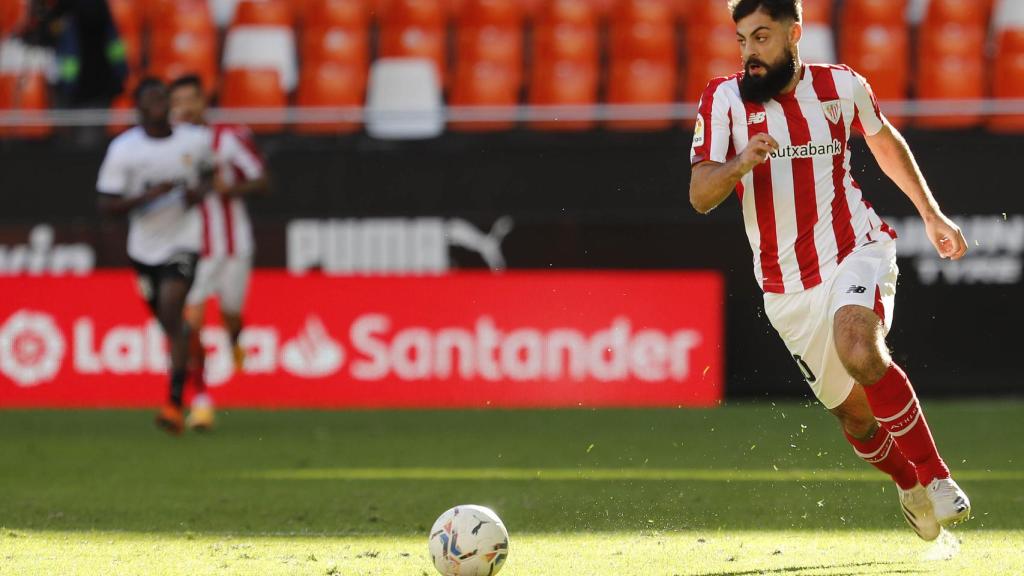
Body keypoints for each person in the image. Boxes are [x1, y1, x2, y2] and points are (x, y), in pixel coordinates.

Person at [689, 0, 971, 540]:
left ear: (796, 33)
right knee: (857, 417)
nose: (750, 53)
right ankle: (908, 484)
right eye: (743, 40)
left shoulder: (841, 86)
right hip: (786, 287)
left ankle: (937, 479)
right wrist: (739, 163)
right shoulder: (722, 100)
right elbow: (701, 195)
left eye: (762, 38)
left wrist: (930, 212)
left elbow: (885, 141)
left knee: (860, 348)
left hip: (855, 247)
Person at [96, 77, 213, 435]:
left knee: (172, 308)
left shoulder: (194, 140)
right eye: (151, 99)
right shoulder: (125, 149)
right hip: (144, 248)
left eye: (163, 97)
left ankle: (174, 403)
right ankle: (189, 369)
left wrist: (198, 194)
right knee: (170, 324)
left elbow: (208, 175)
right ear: (139, 108)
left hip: (183, 242)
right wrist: (148, 197)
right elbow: (106, 204)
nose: (159, 103)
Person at [168, 74, 269, 431]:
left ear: (203, 101)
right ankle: (201, 399)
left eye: (189, 100)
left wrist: (233, 188)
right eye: (176, 101)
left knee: (231, 315)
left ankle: (235, 339)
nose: (183, 108)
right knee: (190, 322)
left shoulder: (228, 136)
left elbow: (262, 179)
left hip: (233, 245)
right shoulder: (168, 144)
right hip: (193, 248)